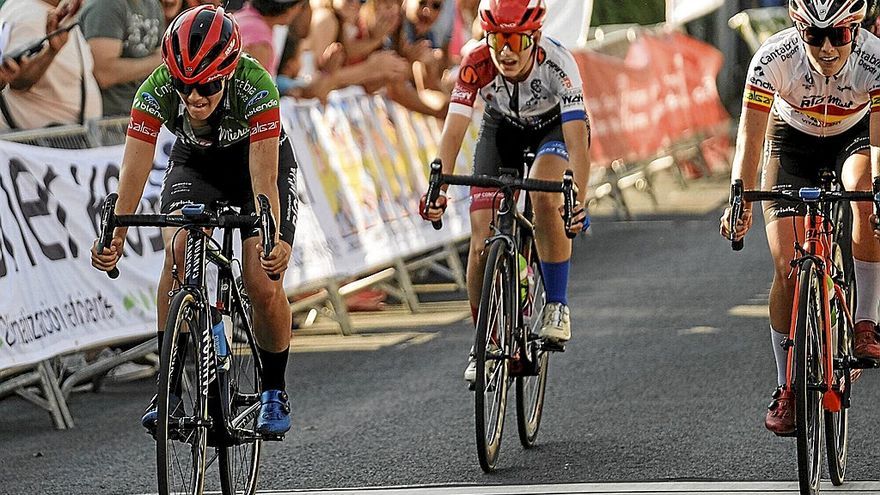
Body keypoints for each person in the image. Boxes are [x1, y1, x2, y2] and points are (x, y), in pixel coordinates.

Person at [91, 5, 298, 437]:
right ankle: (169, 387)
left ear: (229, 72)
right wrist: (117, 233)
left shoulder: (256, 85)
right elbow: (134, 168)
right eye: (185, 88)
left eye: (207, 85)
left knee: (262, 280)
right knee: (180, 252)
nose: (194, 98)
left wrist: (272, 236)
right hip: (196, 165)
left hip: (253, 166)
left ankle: (274, 388)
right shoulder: (157, 88)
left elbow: (264, 176)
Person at [720, 0, 880, 436]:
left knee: (865, 193)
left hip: (855, 136)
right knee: (787, 268)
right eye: (814, 35)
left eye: (838, 36)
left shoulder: (874, 59)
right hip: (791, 143)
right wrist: (740, 196)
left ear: (856, 30)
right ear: (798, 30)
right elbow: (749, 135)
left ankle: (866, 322)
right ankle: (787, 385)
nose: (827, 47)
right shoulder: (772, 58)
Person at [419, 0, 590, 384]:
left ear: (534, 37)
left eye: (515, 39)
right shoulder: (475, 61)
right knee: (480, 240)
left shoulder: (559, 65)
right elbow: (454, 131)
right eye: (497, 39)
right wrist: (437, 186)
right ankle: (484, 343)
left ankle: (557, 305)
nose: (506, 51)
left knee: (546, 197)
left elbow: (579, 144)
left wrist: (580, 195)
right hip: (503, 130)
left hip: (553, 129)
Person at [0, 0, 102, 130]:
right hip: (39, 141)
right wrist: (51, 51)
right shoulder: (29, 14)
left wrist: (52, 50)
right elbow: (17, 80)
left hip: (67, 139)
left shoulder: (53, 13)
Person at [79, 0, 165, 117]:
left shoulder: (152, 5)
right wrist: (158, 61)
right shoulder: (105, 5)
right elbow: (104, 74)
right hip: (108, 121)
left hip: (143, 115)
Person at [234, 0, 307, 77]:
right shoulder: (260, 38)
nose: (298, 11)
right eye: (299, 6)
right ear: (289, 9)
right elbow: (249, 82)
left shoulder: (245, 16)